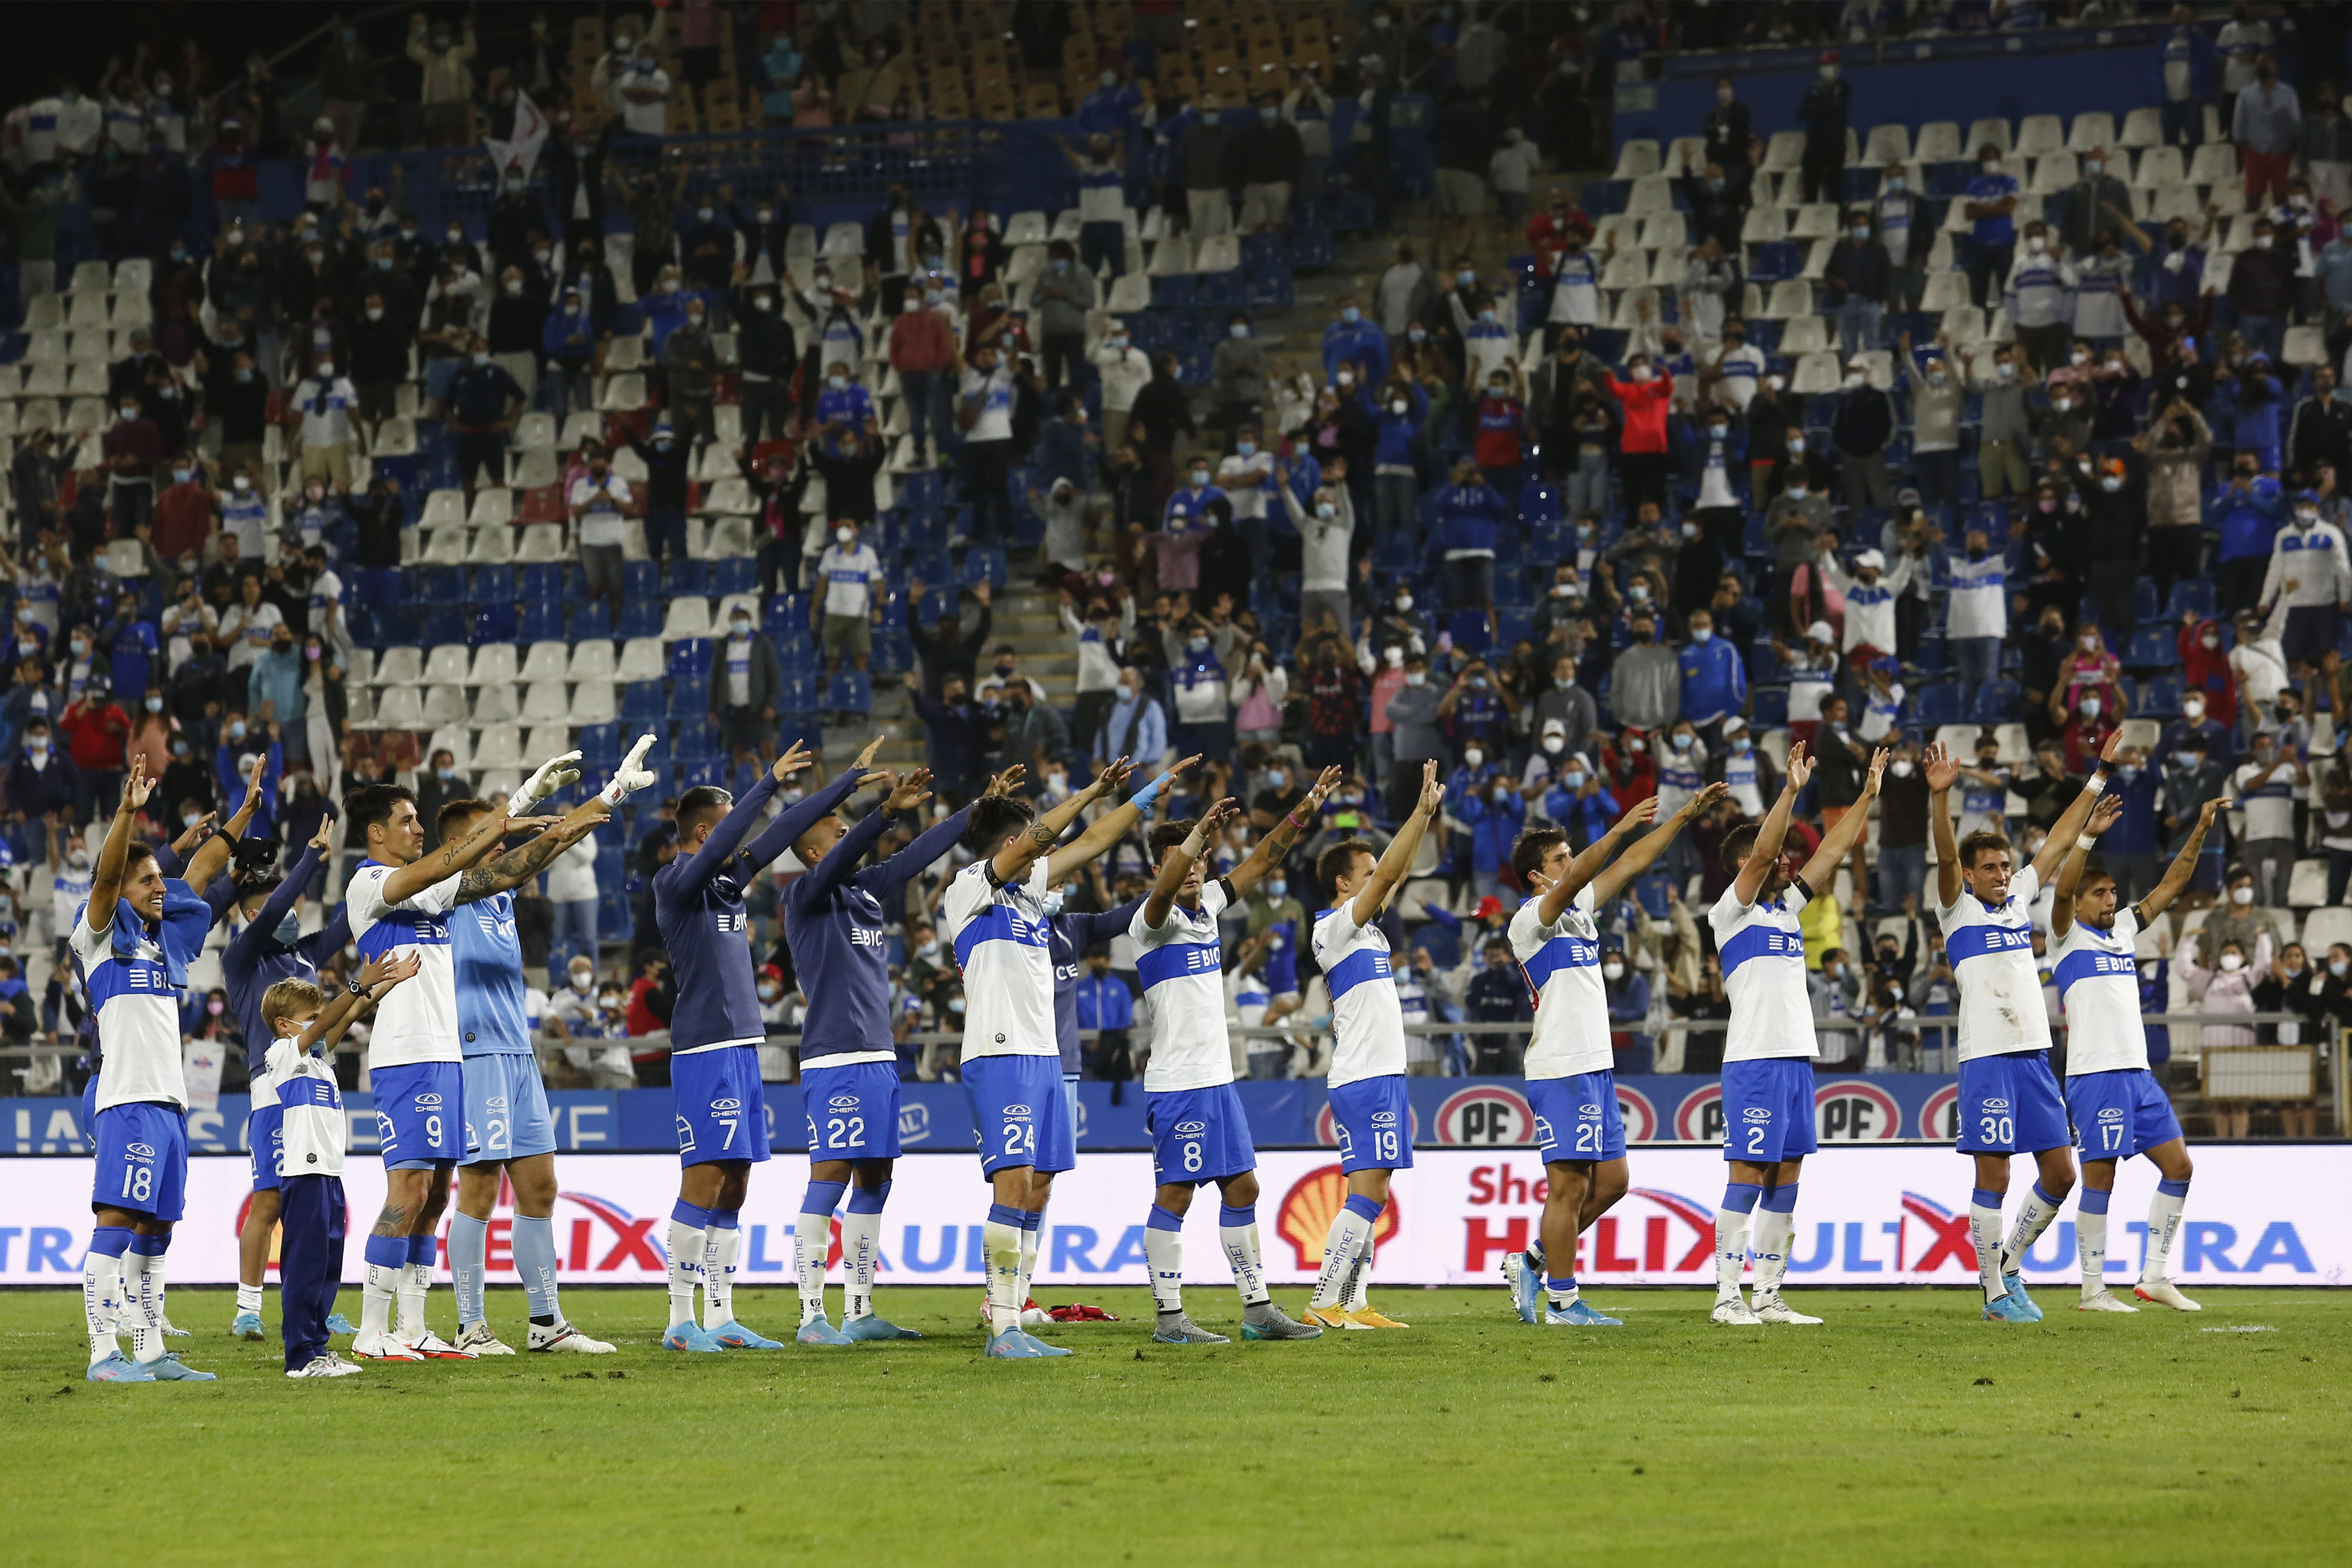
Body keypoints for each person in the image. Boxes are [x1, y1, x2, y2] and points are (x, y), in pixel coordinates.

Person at [342, 770, 614, 1362]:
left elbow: (509, 870)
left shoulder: (436, 893)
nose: (417, 828)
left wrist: (589, 808)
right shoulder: (369, 885)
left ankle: (413, 1327)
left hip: (447, 1056)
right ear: (376, 833)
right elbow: (443, 865)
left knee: (436, 1194)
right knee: (409, 1193)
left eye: (420, 821)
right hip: (410, 1056)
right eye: (407, 821)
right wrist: (513, 809)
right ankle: (373, 1331)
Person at [939, 754, 1144, 1358]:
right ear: (1010, 842)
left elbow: (1098, 840)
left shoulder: (1031, 898)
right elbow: (1047, 836)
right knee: (1014, 1183)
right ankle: (1002, 1325)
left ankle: (1018, 1310)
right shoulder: (969, 888)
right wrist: (1090, 789)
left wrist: (1148, 795)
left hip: (1045, 1058)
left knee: (1038, 1187)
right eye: (1027, 837)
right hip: (999, 1054)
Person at [1503, 784, 1728, 1328]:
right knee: (1570, 1186)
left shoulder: (1578, 908)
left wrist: (1682, 815)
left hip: (1594, 1064)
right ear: (1538, 875)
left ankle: (1532, 1260)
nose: (1570, 863)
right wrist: (1623, 823)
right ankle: (1562, 1301)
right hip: (1561, 1063)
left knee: (1614, 1182)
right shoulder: (1532, 918)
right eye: (1559, 858)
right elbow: (1599, 862)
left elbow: (1632, 862)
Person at [653, 737, 850, 1352]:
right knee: (704, 1179)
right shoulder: (675, 882)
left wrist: (844, 783)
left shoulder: (726, 882)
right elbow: (729, 838)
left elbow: (780, 832)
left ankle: (721, 1317)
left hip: (742, 1047)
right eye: (730, 817)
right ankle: (679, 1321)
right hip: (704, 1049)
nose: (741, 836)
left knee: (735, 1180)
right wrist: (764, 783)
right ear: (707, 828)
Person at [1127, 768, 1338, 1343]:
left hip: (1217, 1080)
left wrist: (1305, 808)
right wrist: (1194, 834)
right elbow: (1170, 883)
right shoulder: (1152, 922)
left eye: (1199, 857)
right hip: (1180, 1082)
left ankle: (1256, 1311)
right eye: (1183, 858)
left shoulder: (1207, 908)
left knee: (1242, 1188)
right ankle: (1169, 1320)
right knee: (1176, 1195)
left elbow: (1263, 861)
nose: (1194, 867)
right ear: (1160, 866)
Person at [1923, 731, 2119, 1323]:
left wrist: (2098, 775)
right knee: (1996, 1172)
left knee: (2060, 1173)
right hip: (1986, 1056)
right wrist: (1940, 801)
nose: (2003, 874)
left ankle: (2008, 1263)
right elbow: (1942, 852)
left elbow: (2059, 839)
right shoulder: (1955, 908)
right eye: (1990, 867)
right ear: (1968, 873)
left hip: (2035, 1055)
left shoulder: (2017, 902)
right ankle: (1992, 1296)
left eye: (2006, 865)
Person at [780, 746, 970, 1345]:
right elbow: (861, 848)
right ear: (816, 852)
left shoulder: (862, 893)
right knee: (829, 1176)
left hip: (879, 1057)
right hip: (835, 1057)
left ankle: (858, 1311)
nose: (846, 834)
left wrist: (975, 810)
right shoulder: (805, 897)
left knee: (876, 1178)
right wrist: (882, 813)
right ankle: (812, 1315)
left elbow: (916, 857)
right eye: (837, 831)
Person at [440, 764, 619, 1356]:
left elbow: (537, 855)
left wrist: (606, 798)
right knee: (479, 1191)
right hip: (478, 1052)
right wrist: (551, 821)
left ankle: (547, 1324)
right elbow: (524, 854)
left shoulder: (501, 893)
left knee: (540, 1188)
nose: (501, 835)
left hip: (518, 1052)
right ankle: (470, 1327)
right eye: (489, 830)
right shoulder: (444, 893)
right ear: (456, 846)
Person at [1706, 741, 1885, 1326]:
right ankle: (1726, 1297)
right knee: (1747, 1173)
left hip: (1794, 1060)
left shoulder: (1784, 911)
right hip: (1753, 1059)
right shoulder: (1728, 914)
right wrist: (1789, 792)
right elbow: (1761, 854)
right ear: (1742, 868)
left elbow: (1831, 852)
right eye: (1775, 858)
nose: (1785, 864)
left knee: (1786, 1174)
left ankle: (1767, 1294)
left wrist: (1863, 798)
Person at [2054, 790, 2229, 1313]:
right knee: (2100, 1178)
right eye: (2101, 893)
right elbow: (2062, 887)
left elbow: (2173, 882)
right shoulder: (2065, 936)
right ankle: (2091, 1288)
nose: (2111, 900)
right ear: (2081, 901)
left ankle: (2154, 1276)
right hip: (2095, 1073)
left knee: (2179, 1167)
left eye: (2113, 892)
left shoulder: (2126, 928)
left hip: (2137, 1074)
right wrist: (2087, 837)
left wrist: (2199, 828)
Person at [76, 760, 220, 1383]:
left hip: (169, 1105)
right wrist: (128, 812)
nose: (159, 888)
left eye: (159, 879)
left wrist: (235, 826)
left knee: (156, 1232)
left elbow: (203, 873)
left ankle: (150, 1351)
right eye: (148, 882)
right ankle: (103, 1354)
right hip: (129, 1100)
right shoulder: (100, 938)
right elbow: (109, 877)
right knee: (116, 1223)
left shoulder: (164, 948)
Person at [1299, 761, 1446, 1331]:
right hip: (1363, 1074)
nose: (1376, 876)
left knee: (1375, 1191)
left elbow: (1397, 872)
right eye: (1364, 871)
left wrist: (1425, 819)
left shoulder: (1368, 929)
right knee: (1365, 1193)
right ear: (1343, 882)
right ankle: (1322, 1301)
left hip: (1381, 1072)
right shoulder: (1333, 927)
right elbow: (1388, 877)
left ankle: (1354, 1304)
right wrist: (1416, 811)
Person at [222, 811, 352, 1342]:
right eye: (279, 908)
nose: (292, 912)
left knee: (317, 1201)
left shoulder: (304, 953)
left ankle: (318, 1305)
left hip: (318, 1084)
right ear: (253, 916)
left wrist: (380, 873)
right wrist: (309, 859)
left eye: (296, 905)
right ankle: (247, 1308)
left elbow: (348, 923)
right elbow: (276, 903)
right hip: (271, 1088)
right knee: (270, 1199)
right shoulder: (242, 958)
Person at [263, 952, 418, 1378]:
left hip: (330, 1174)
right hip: (305, 1173)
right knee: (306, 1269)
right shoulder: (281, 1054)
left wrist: (385, 984)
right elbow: (333, 1016)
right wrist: (355, 983)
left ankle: (317, 1348)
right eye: (311, 1017)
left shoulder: (317, 1058)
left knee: (328, 1267)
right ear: (285, 1024)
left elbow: (348, 1014)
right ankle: (301, 1357)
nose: (321, 1023)